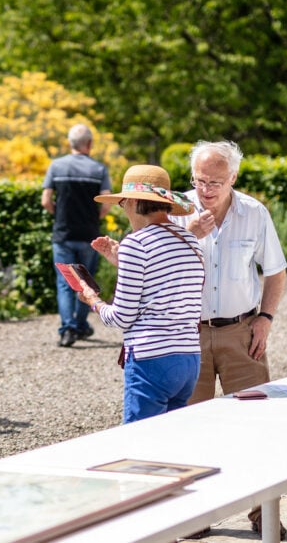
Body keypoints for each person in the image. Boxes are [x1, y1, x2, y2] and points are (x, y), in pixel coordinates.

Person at [169, 140, 287, 539]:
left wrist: (266, 319)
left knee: (257, 427)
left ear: (233, 178)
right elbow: (152, 265)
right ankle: (195, 516)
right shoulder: (175, 210)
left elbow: (275, 270)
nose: (206, 189)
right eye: (200, 180)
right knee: (188, 429)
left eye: (215, 181)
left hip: (242, 333)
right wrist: (186, 233)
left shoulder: (254, 213)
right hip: (189, 334)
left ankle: (263, 514)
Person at [75, 164, 205, 424]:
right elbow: (166, 286)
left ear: (133, 202)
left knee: (140, 445)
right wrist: (122, 261)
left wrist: (92, 299)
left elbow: (121, 317)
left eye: (122, 202)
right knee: (173, 438)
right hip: (189, 357)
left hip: (151, 358)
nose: (122, 209)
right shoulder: (190, 240)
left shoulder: (136, 244)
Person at [41, 124, 112, 348]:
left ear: (70, 143)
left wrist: (59, 215)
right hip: (89, 234)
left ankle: (67, 329)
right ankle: (81, 325)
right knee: (85, 282)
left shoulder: (56, 166)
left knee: (64, 283)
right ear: (89, 144)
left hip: (63, 233)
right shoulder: (99, 170)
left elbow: (45, 200)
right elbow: (106, 204)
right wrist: (94, 217)